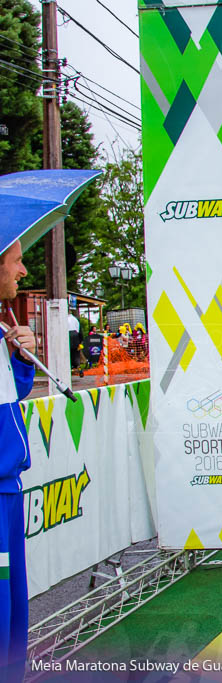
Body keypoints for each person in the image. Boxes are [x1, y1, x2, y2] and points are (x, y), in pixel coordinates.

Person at [0, 239, 35, 675]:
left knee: (12, 615)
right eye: (16, 260)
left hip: (8, 490)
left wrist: (19, 358)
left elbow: (13, 394)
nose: (24, 271)